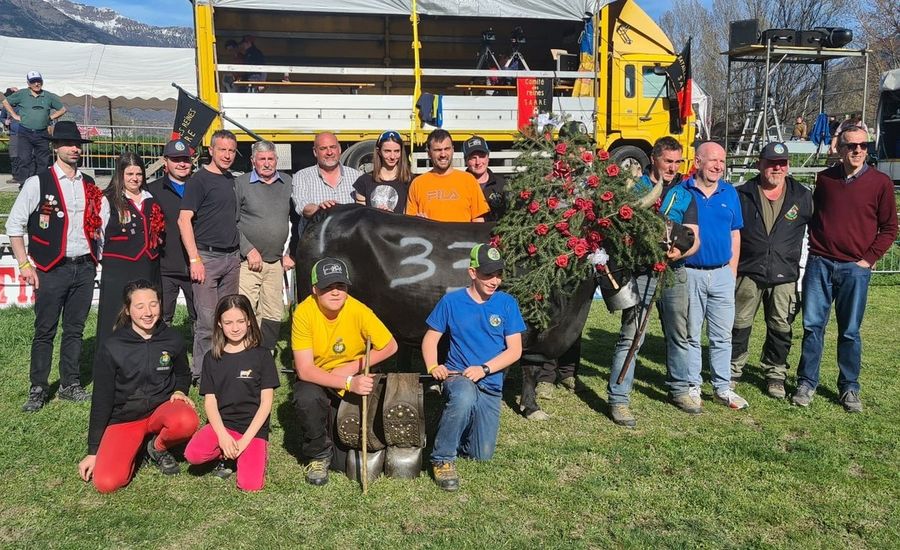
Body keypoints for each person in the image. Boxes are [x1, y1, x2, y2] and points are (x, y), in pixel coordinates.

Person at [792, 127, 898, 412]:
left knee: (850, 331)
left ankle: (849, 387)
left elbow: (889, 227)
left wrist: (869, 258)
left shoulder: (880, 183)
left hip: (855, 269)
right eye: (852, 146)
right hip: (820, 264)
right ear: (840, 149)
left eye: (864, 145)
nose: (858, 150)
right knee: (813, 326)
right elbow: (816, 216)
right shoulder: (825, 179)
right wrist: (814, 249)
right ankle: (806, 382)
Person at [605, 136, 700, 426]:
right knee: (632, 336)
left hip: (674, 271)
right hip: (642, 271)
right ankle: (619, 399)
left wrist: (678, 251)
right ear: (654, 159)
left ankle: (680, 389)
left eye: (676, 162)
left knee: (679, 333)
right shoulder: (633, 188)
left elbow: (694, 237)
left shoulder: (685, 195)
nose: (672, 167)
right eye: (667, 161)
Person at [6, 121, 99, 412]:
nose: (75, 148)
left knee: (75, 329)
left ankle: (70, 384)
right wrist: (24, 263)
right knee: (44, 329)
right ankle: (38, 387)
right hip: (50, 268)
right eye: (68, 144)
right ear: (55, 147)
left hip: (83, 266)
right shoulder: (38, 182)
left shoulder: (89, 184)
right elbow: (15, 224)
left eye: (78, 144)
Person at [78, 280, 199, 493]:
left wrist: (180, 390)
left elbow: (183, 373)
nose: (148, 312)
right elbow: (101, 399)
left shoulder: (172, 338)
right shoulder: (112, 346)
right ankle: (136, 447)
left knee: (186, 419)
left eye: (153, 304)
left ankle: (157, 446)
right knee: (106, 483)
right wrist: (93, 451)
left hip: (160, 411)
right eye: (140, 306)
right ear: (127, 309)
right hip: (125, 418)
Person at [424, 244, 525, 491]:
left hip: (490, 384)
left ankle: (448, 422)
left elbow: (515, 350)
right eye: (488, 274)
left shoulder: (507, 303)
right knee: (464, 396)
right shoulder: (451, 301)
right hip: (459, 377)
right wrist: (433, 365)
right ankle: (442, 459)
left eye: (499, 274)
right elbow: (430, 339)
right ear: (472, 273)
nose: (494, 281)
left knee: (482, 455)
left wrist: (485, 369)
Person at [291, 257, 398, 486]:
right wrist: (348, 383)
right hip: (318, 376)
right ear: (314, 289)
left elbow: (390, 345)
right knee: (307, 398)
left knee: (342, 463)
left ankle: (340, 440)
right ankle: (318, 453)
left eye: (341, 286)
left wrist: (352, 369)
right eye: (328, 286)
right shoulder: (303, 312)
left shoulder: (359, 310)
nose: (336, 292)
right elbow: (305, 370)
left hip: (353, 372)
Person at [731, 143, 813, 399]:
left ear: (787, 165)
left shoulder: (802, 196)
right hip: (748, 271)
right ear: (760, 164)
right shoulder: (742, 194)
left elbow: (824, 228)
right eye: (771, 162)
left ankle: (775, 374)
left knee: (780, 326)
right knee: (739, 324)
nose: (777, 168)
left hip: (784, 275)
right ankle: (732, 370)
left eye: (782, 163)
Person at [674, 141, 749, 412]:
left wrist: (732, 271)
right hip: (690, 273)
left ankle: (722, 387)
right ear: (697, 162)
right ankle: (692, 385)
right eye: (713, 160)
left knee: (722, 335)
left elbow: (735, 233)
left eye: (722, 161)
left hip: (722, 274)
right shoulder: (682, 192)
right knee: (691, 334)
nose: (719, 166)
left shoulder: (730, 193)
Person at [184, 294, 280, 491]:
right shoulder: (212, 358)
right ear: (219, 323)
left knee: (250, 485)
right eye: (228, 322)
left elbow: (266, 403)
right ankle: (225, 452)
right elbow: (210, 402)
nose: (235, 328)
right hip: (224, 425)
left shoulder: (262, 356)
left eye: (240, 321)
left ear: (249, 322)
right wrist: (222, 436)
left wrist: (244, 442)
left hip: (252, 429)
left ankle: (251, 452)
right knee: (193, 455)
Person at [178, 129, 241, 384]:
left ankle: (224, 367)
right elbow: (184, 220)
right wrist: (195, 259)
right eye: (222, 150)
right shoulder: (199, 181)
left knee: (229, 317)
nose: (227, 155)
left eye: (231, 150)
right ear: (211, 151)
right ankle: (201, 374)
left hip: (232, 258)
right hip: (207, 258)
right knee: (206, 321)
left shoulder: (232, 181)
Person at [95, 152, 163, 351]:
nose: (135, 178)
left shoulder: (151, 198)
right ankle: (110, 362)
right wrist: (102, 262)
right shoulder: (108, 200)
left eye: (139, 174)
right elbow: (99, 234)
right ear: (120, 175)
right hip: (118, 269)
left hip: (148, 266)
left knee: (146, 314)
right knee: (115, 315)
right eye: (130, 173)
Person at [235, 140, 294, 351]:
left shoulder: (287, 182)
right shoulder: (241, 184)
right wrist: (248, 249)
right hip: (248, 261)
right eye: (262, 159)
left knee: (273, 310)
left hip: (276, 261)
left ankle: (265, 352)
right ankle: (245, 350)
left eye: (271, 159)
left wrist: (291, 252)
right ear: (253, 161)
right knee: (247, 307)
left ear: (277, 160)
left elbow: (298, 219)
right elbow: (231, 222)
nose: (267, 163)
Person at [147, 138, 197, 329]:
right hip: (166, 267)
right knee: (162, 317)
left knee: (199, 318)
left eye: (186, 159)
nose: (182, 164)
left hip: (196, 266)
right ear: (165, 162)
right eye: (176, 159)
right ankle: (162, 355)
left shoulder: (199, 186)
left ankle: (200, 358)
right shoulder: (152, 190)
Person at [405, 129, 490, 222]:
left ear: (453, 150)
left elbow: (478, 221)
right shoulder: (418, 184)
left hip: (462, 237)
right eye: (438, 150)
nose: (443, 154)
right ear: (429, 153)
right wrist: (419, 222)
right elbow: (410, 224)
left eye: (447, 149)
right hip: (430, 237)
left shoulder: (468, 180)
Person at [292, 132, 362, 237]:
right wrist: (320, 210)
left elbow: (362, 210)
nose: (329, 152)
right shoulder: (302, 176)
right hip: (316, 244)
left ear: (339, 149)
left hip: (348, 244)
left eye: (333, 147)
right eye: (323, 148)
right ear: (315, 152)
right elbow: (303, 206)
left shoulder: (356, 176)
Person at [1, 71, 67, 184]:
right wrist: (14, 115)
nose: (36, 84)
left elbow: (62, 109)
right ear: (28, 83)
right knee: (24, 159)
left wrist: (50, 117)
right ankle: (24, 184)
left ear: (42, 81)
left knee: (43, 161)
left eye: (38, 81)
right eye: (33, 82)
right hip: (24, 133)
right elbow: (6, 102)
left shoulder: (48, 96)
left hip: (42, 133)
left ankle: (41, 184)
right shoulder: (22, 94)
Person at [353, 130, 412, 213]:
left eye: (396, 151)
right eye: (387, 151)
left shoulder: (410, 181)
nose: (392, 156)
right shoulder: (363, 181)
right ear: (379, 152)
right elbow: (360, 216)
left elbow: (409, 216)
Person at [463, 135, 506, 221]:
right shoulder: (460, 186)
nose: (478, 162)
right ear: (466, 161)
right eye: (473, 158)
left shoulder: (502, 185)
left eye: (482, 156)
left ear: (488, 158)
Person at [1, 87, 20, 185]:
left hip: (25, 133)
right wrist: (5, 121)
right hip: (13, 134)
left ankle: (26, 175)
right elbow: (2, 117)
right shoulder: (6, 106)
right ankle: (16, 176)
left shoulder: (22, 105)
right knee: (14, 155)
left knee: (27, 155)